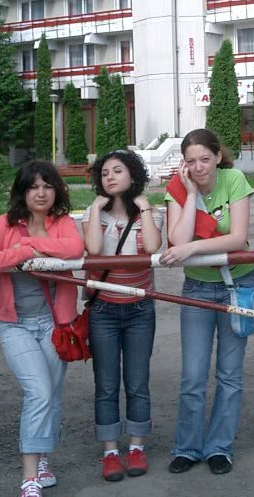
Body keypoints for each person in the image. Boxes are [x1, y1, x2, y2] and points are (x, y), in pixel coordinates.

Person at [0, 161, 84, 497]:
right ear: (22, 191)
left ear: (57, 191)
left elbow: (74, 249)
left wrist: (27, 250)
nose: (41, 193)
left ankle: (43, 459)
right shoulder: (6, 223)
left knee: (51, 393)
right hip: (16, 325)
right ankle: (29, 477)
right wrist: (25, 250)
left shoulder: (63, 222)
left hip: (55, 324)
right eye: (34, 186)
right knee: (39, 391)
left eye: (48, 186)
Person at [161, 129, 254, 476]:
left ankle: (219, 447)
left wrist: (192, 249)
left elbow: (238, 238)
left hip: (237, 285)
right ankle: (187, 448)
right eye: (191, 161)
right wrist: (189, 194)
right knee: (193, 375)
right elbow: (177, 238)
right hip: (198, 289)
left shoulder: (234, 179)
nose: (199, 167)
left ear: (217, 156)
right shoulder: (177, 188)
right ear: (183, 164)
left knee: (230, 374)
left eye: (204, 159)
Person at [82, 150, 163, 482]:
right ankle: (111, 451)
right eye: (104, 173)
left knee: (137, 381)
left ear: (133, 175)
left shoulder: (150, 213)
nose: (110, 177)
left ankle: (137, 447)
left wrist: (145, 208)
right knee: (106, 383)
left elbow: (153, 248)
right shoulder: (93, 214)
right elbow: (94, 250)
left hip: (140, 309)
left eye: (117, 171)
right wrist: (95, 210)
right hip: (103, 310)